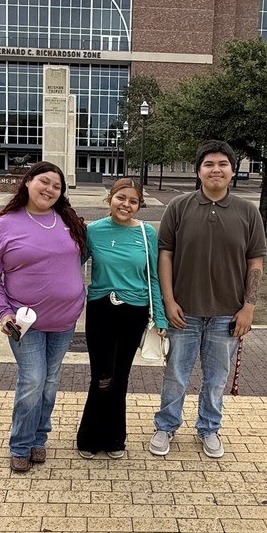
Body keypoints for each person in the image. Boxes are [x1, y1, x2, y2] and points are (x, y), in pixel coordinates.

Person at [149, 140, 266, 459]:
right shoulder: (179, 207)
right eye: (209, 164)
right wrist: (169, 301)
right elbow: (165, 256)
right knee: (176, 374)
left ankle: (209, 428)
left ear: (232, 171)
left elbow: (255, 260)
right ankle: (166, 425)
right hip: (183, 312)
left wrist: (248, 307)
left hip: (227, 315)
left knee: (216, 379)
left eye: (223, 164)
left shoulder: (247, 211)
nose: (216, 169)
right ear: (198, 171)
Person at [0, 161, 87, 472]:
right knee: (32, 381)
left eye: (57, 186)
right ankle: (21, 444)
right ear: (27, 182)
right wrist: (4, 312)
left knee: (50, 382)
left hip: (65, 320)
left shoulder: (68, 221)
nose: (50, 189)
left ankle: (40, 438)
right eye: (44, 181)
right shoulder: (4, 225)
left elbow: (77, 261)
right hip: (24, 324)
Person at [76, 179, 167, 459]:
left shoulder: (146, 233)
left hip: (135, 311)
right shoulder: (93, 231)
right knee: (102, 376)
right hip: (101, 309)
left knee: (121, 375)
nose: (126, 205)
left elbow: (153, 276)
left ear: (139, 206)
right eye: (121, 198)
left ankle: (115, 438)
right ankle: (89, 437)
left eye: (134, 201)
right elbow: (69, 264)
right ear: (110, 198)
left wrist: (161, 317)